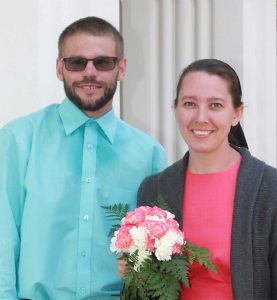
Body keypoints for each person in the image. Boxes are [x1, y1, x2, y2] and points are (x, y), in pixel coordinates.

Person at [0, 16, 167, 300]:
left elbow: (157, 258)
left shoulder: (149, 154)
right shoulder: (17, 140)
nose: (90, 73)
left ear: (121, 68)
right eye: (77, 62)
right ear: (59, 68)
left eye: (103, 62)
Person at [137, 59, 277, 299]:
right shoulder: (154, 189)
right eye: (189, 104)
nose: (201, 117)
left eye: (215, 105)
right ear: (175, 110)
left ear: (237, 113)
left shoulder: (276, 191)